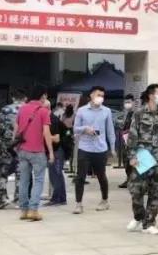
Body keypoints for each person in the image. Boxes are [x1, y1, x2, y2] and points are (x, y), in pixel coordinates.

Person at [126, 85, 158, 235]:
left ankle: (149, 223)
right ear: (151, 95)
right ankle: (139, 216)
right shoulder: (139, 114)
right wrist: (132, 156)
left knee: (156, 192)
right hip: (142, 158)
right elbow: (132, 136)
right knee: (136, 190)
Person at [73, 85, 115, 214]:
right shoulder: (81, 110)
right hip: (85, 148)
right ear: (91, 95)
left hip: (100, 148)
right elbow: (75, 128)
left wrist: (112, 148)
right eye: (98, 95)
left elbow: (110, 130)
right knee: (80, 176)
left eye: (102, 96)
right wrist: (85, 129)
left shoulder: (106, 111)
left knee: (101, 176)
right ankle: (78, 204)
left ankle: (105, 200)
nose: (100, 98)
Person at [15, 86, 53, 221]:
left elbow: (16, 129)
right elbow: (46, 133)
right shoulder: (43, 111)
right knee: (39, 180)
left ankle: (24, 210)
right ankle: (33, 210)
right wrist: (51, 152)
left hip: (22, 149)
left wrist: (17, 146)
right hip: (37, 151)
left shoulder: (22, 108)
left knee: (24, 180)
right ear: (43, 96)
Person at [0, 90, 23, 208]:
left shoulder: (5, 110)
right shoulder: (27, 110)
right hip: (21, 145)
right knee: (21, 173)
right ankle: (19, 198)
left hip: (6, 145)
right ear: (24, 98)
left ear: (13, 98)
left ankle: (2, 199)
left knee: (2, 172)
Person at [45, 101, 71, 206]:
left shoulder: (52, 119)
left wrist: (44, 136)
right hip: (55, 150)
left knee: (56, 174)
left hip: (58, 150)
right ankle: (59, 198)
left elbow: (56, 138)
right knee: (55, 174)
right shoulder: (50, 118)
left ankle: (58, 198)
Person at [117, 93, 137, 189]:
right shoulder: (128, 114)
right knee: (126, 161)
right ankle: (128, 179)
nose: (127, 104)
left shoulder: (136, 114)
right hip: (126, 141)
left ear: (133, 102)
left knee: (132, 162)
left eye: (129, 102)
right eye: (126, 102)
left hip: (133, 142)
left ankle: (133, 181)